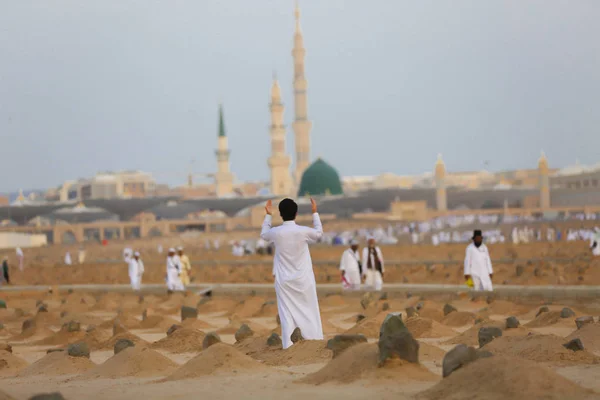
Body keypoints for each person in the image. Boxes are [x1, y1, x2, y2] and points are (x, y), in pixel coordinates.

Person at [260, 197, 324, 349]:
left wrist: (268, 215)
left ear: (280, 214)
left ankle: (288, 346)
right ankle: (314, 343)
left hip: (284, 281)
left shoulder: (276, 233)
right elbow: (319, 233)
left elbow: (264, 234)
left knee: (287, 314)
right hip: (304, 280)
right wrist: (315, 212)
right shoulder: (302, 231)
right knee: (310, 310)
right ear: (296, 213)